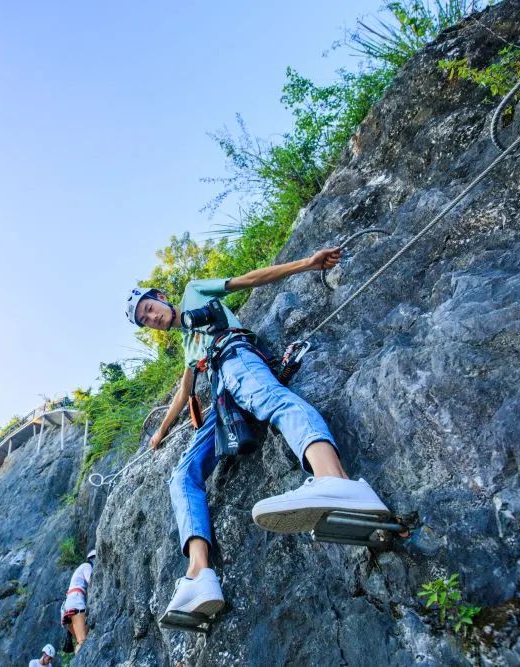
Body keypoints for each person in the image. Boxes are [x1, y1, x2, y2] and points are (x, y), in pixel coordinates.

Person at [124, 248, 390, 626]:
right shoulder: (187, 346)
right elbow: (184, 393)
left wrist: (307, 262)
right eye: (144, 320)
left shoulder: (195, 292)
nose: (151, 318)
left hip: (235, 358)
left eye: (149, 308)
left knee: (273, 401)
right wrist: (159, 434)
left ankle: (336, 480)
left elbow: (248, 279)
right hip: (221, 397)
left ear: (161, 297)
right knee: (182, 476)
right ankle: (200, 574)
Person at [59, 549, 95, 652]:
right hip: (76, 601)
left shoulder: (80, 569)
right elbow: (91, 581)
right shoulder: (87, 566)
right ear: (93, 559)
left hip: (69, 604)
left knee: (84, 639)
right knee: (82, 642)